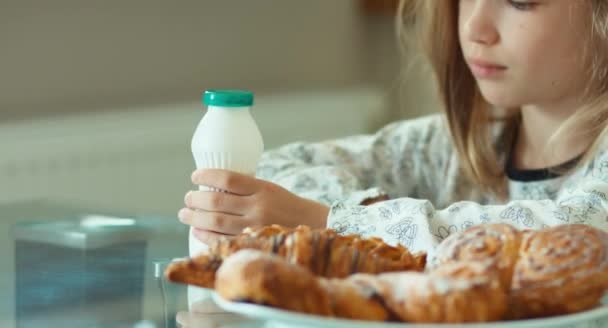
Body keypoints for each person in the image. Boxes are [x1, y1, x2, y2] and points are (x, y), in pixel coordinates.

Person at [177, 0, 608, 254]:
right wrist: (365, 214)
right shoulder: (455, 148)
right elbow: (280, 167)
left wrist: (332, 224)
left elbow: (573, 238)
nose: (474, 27)